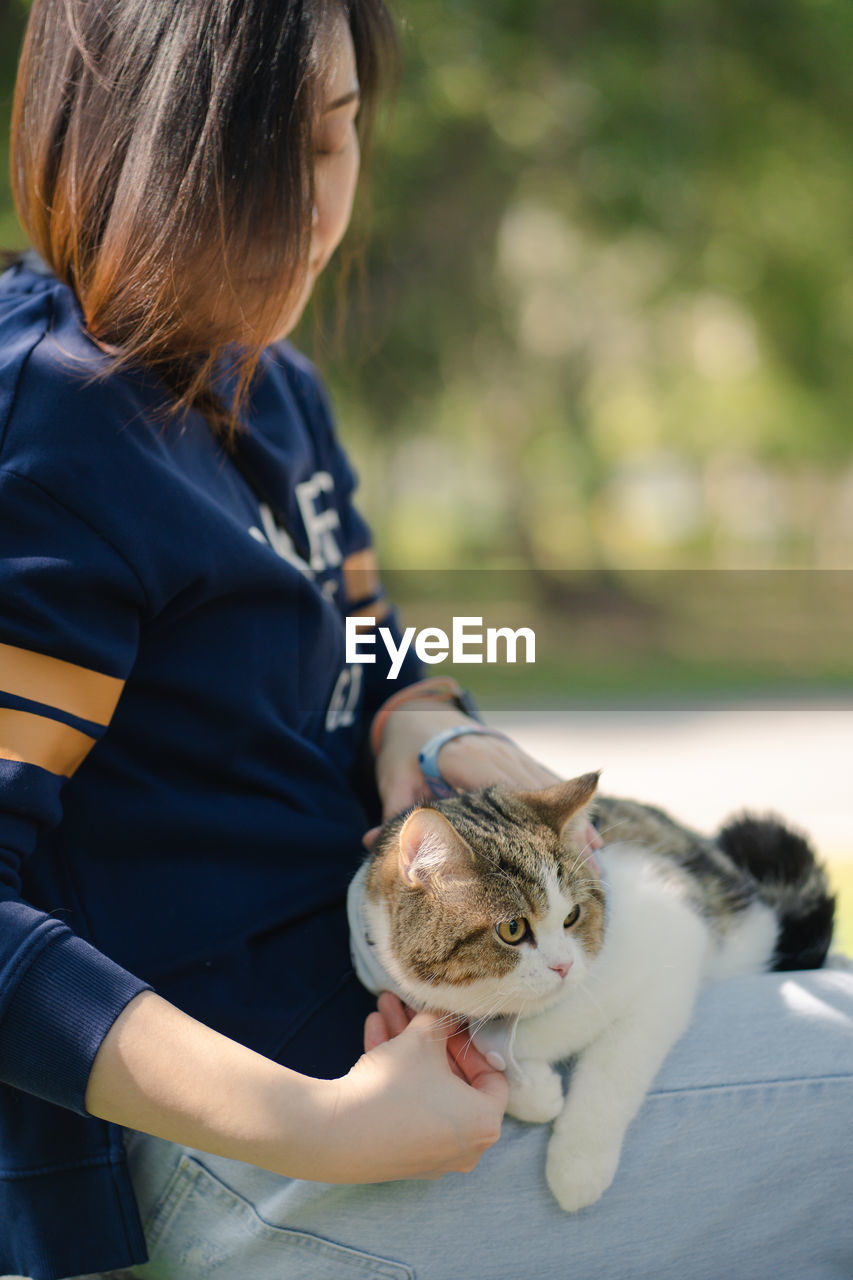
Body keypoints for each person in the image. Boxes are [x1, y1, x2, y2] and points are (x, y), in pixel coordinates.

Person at [0, 2, 851, 1278]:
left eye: (334, 142)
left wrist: (435, 726)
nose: (308, 214)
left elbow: (375, 647)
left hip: (453, 1026)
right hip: (246, 1141)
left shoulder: (275, 385)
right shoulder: (54, 431)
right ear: (127, 143)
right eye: (255, 161)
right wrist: (320, 1124)